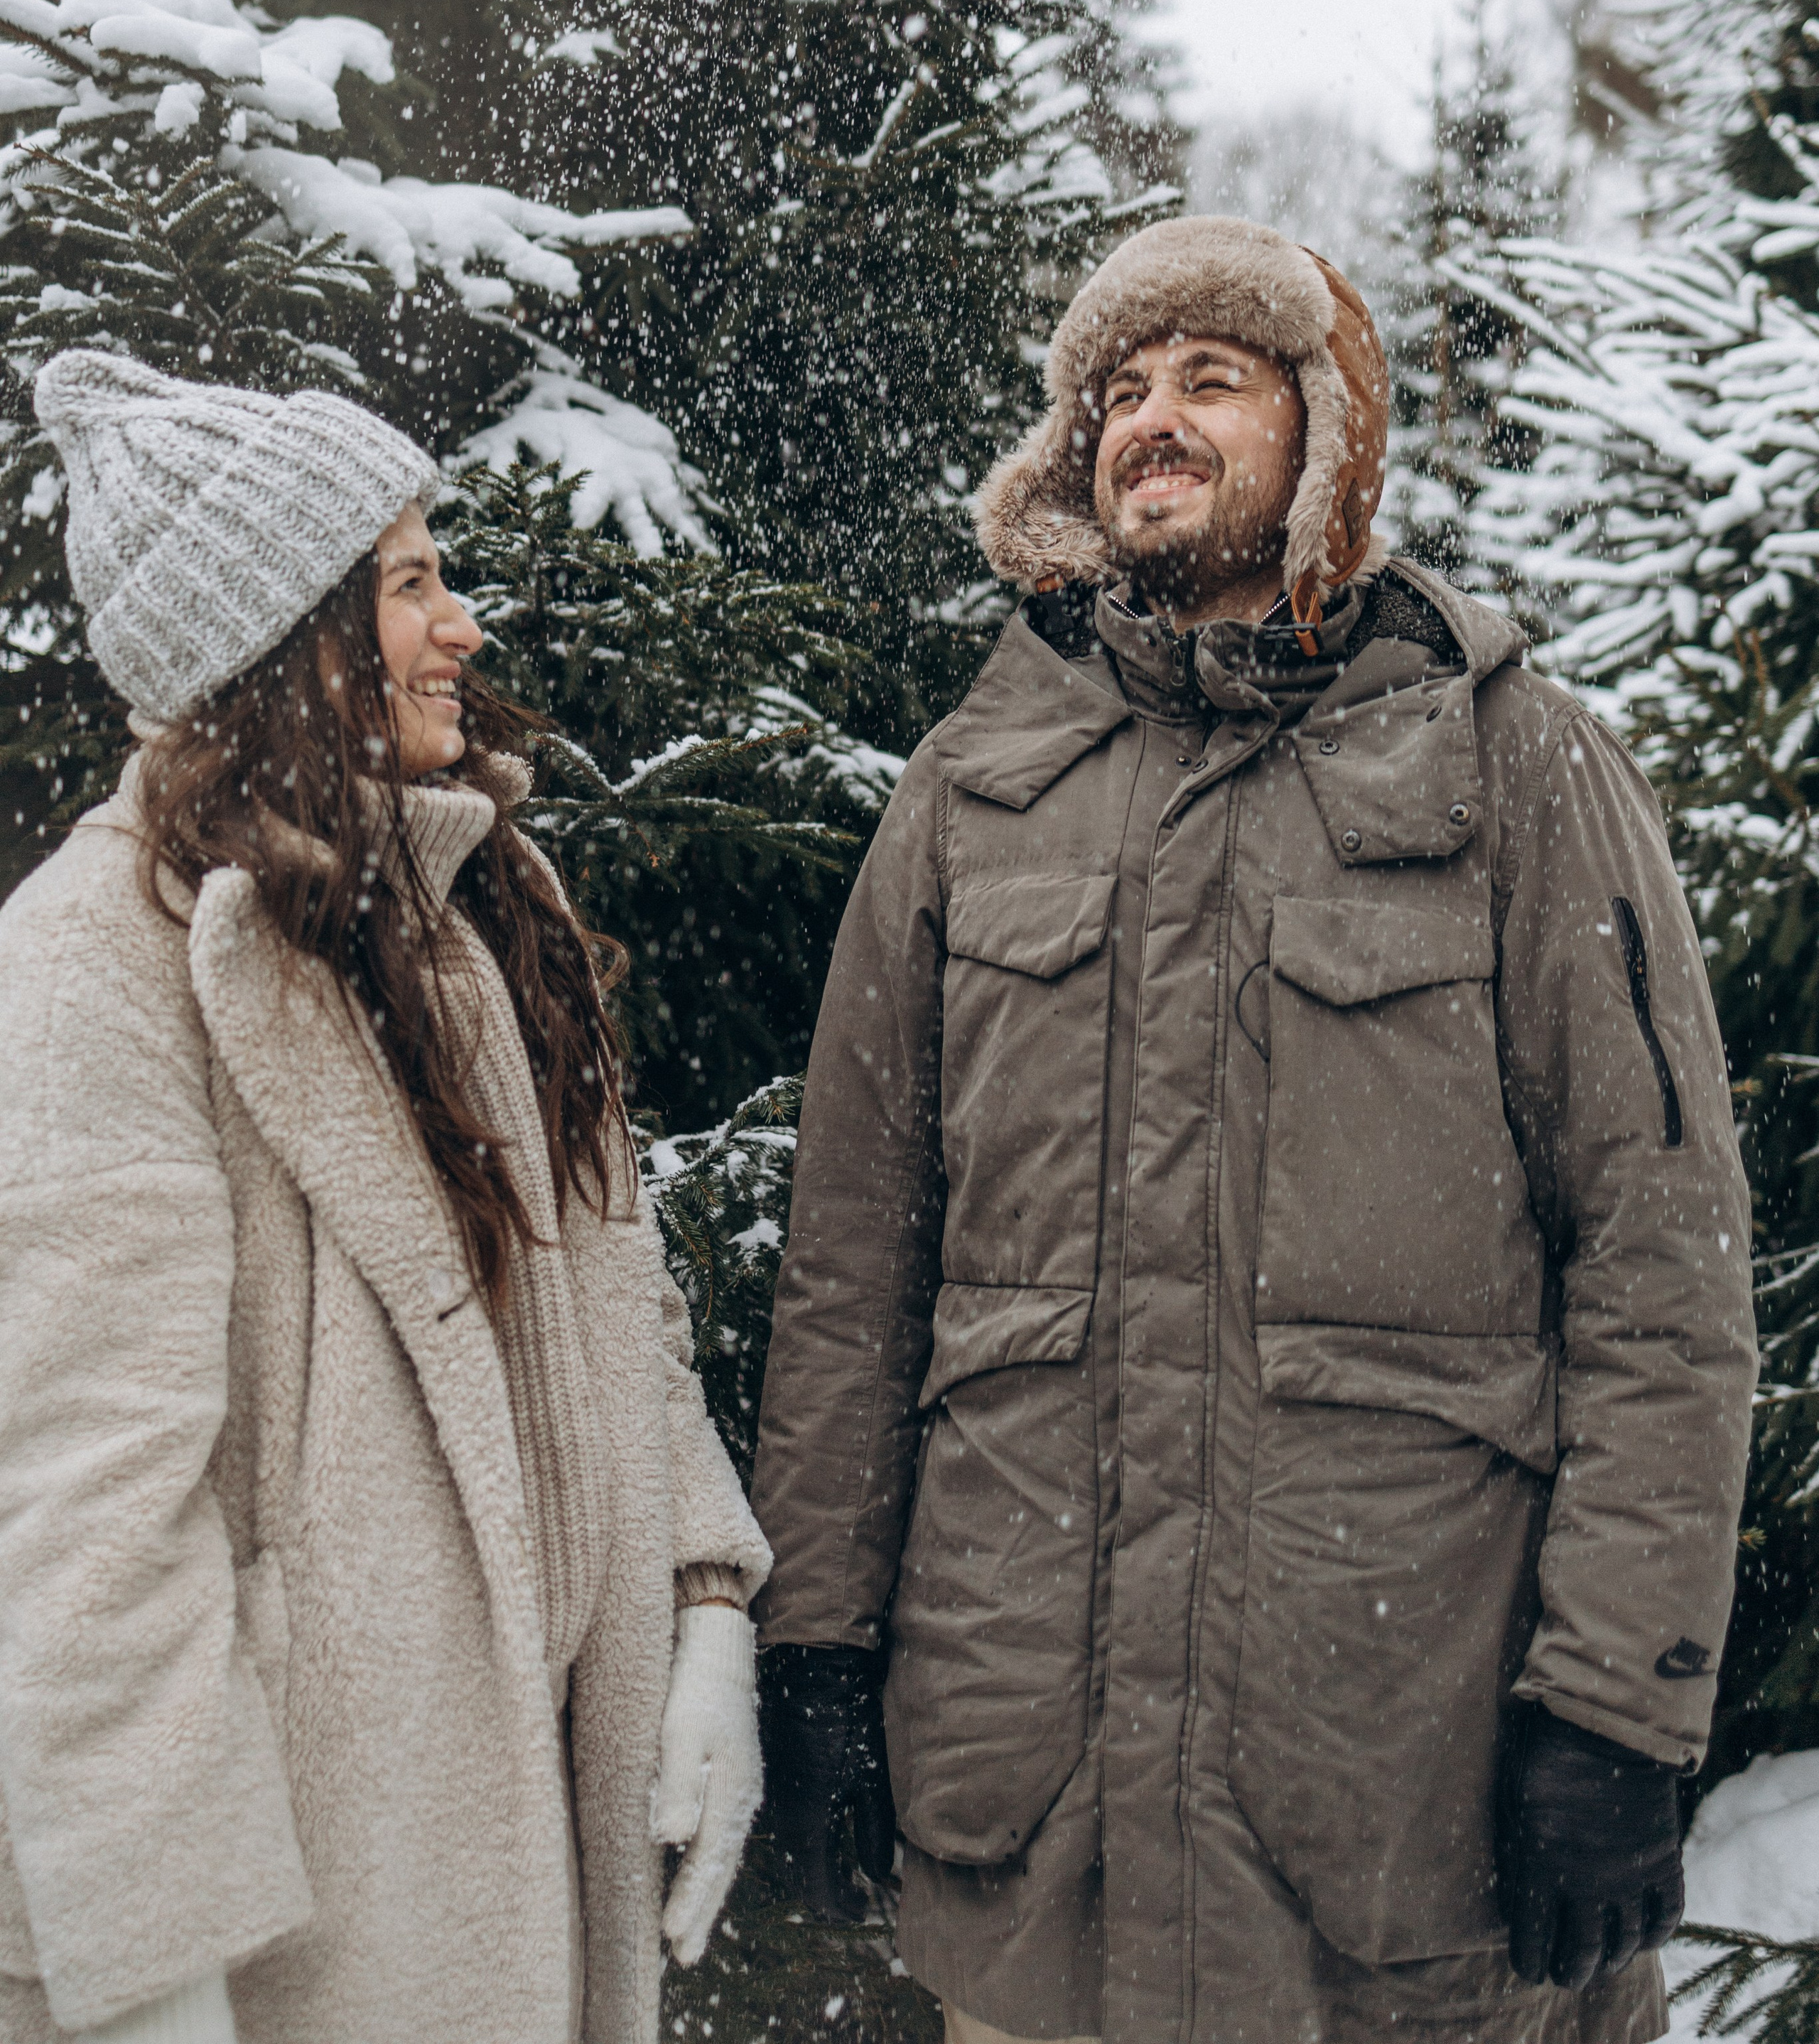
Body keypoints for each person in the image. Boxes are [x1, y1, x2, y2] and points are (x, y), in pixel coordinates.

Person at [750, 215, 1757, 2044]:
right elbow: (850, 1261)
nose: (1151, 418)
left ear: (1329, 426)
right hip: (1037, 1810)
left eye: (1208, 378)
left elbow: (1656, 1254)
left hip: (1393, 1801)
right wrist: (813, 1637)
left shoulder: (1504, 751)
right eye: (1114, 392)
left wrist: (1620, 1700)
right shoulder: (973, 787)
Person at [0, 351, 770, 2044]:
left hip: (523, 1847)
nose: (465, 624)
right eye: (412, 582)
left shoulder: (474, 908)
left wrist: (707, 1606)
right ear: (286, 636)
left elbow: (612, 1287)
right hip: (314, 1908)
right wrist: (152, 1978)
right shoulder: (92, 965)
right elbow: (88, 1533)